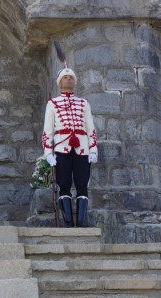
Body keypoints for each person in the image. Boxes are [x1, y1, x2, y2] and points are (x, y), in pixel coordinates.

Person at [42, 67, 98, 227]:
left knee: (82, 184)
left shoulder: (83, 103)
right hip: (61, 148)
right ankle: (68, 221)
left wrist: (93, 150)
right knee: (64, 184)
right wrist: (48, 153)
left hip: (82, 148)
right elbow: (48, 130)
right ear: (59, 83)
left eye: (71, 77)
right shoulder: (52, 104)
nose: (69, 79)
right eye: (65, 77)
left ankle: (80, 221)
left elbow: (90, 127)